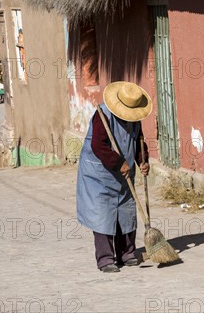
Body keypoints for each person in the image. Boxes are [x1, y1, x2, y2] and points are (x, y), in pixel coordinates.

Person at [76, 81, 152, 273]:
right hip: (99, 173)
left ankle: (127, 253)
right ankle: (105, 259)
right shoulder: (102, 116)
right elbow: (98, 146)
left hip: (124, 172)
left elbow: (138, 143)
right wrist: (119, 163)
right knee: (103, 214)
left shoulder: (135, 117)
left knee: (127, 211)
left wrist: (142, 161)